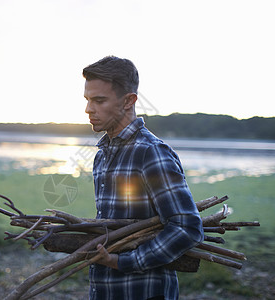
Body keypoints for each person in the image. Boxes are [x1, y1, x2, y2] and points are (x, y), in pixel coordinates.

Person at [82, 56, 204, 300]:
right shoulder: (102, 155)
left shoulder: (151, 153)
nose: (88, 109)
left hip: (145, 293)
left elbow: (187, 228)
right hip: (106, 291)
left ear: (129, 101)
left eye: (99, 100)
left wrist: (122, 261)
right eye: (87, 100)